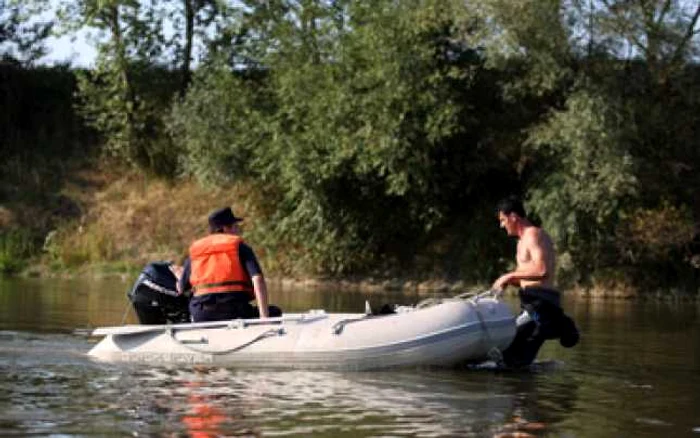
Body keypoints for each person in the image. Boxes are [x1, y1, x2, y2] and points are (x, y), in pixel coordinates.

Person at [492, 196, 579, 368]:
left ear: (513, 217)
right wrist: (510, 281)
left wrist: (509, 276)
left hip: (540, 304)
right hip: (533, 301)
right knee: (515, 360)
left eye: (503, 220)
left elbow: (542, 271)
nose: (502, 225)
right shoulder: (522, 241)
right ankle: (559, 324)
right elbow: (528, 278)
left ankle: (555, 324)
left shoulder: (533, 235)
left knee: (509, 353)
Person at [178, 206, 282, 322]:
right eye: (235, 227)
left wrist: (180, 277)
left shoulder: (196, 252)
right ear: (225, 228)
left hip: (202, 314)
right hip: (234, 311)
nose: (238, 231)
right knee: (275, 311)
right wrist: (264, 317)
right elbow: (257, 279)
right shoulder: (240, 247)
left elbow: (181, 289)